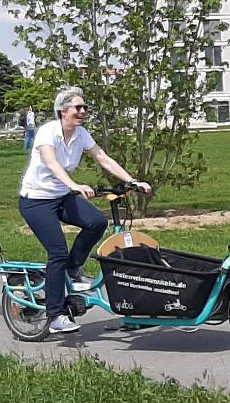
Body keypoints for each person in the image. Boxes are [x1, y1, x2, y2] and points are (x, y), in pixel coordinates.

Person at [19, 87, 151, 333]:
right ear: (63, 111)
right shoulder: (48, 132)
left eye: (85, 108)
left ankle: (73, 267)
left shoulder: (80, 134)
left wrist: (132, 181)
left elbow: (102, 157)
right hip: (36, 201)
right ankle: (56, 315)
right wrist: (74, 185)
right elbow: (52, 163)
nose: (83, 112)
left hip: (61, 196)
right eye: (78, 107)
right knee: (57, 252)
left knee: (97, 223)